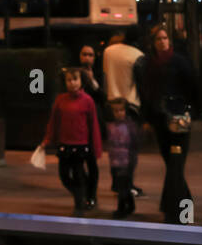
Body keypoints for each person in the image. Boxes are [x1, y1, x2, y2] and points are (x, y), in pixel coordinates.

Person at [136, 26, 202, 223]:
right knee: (172, 165)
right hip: (161, 121)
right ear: (153, 43)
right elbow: (147, 94)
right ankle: (178, 209)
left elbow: (194, 87)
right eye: (158, 39)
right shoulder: (149, 64)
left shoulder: (179, 62)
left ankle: (178, 211)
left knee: (176, 166)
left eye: (165, 38)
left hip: (178, 120)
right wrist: (147, 119)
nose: (162, 42)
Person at [40, 66, 102, 215]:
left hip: (81, 145)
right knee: (64, 175)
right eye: (69, 80)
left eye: (75, 79)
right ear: (65, 82)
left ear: (81, 81)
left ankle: (80, 202)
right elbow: (53, 121)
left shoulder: (88, 101)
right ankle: (82, 194)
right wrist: (47, 139)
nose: (72, 83)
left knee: (79, 173)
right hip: (65, 144)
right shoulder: (60, 100)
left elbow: (93, 125)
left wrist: (96, 146)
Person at [103, 28, 145, 195]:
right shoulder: (138, 55)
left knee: (115, 149)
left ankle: (117, 182)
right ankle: (127, 184)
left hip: (111, 103)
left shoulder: (108, 51)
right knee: (130, 150)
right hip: (130, 106)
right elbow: (141, 84)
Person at [78, 43, 106, 206]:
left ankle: (92, 194)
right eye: (84, 54)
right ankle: (84, 191)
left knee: (92, 161)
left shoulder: (100, 75)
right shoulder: (76, 74)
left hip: (94, 122)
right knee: (78, 162)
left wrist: (93, 81)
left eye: (90, 55)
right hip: (79, 124)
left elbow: (103, 96)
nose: (87, 58)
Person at [106, 97, 140, 217]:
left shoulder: (129, 126)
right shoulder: (111, 126)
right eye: (115, 111)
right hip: (115, 162)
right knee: (121, 186)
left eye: (121, 110)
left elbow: (134, 145)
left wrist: (132, 161)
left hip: (126, 162)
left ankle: (121, 209)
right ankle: (130, 205)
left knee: (123, 187)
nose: (118, 113)